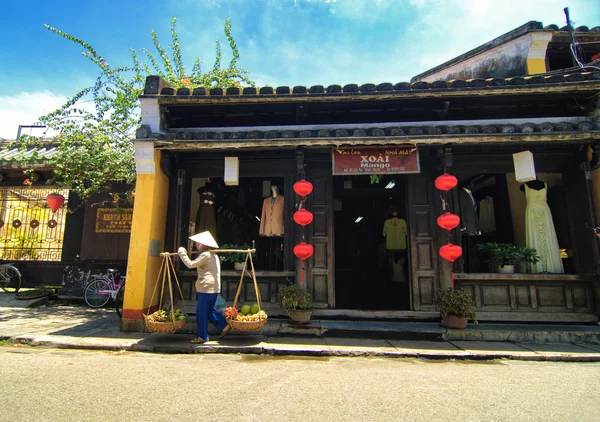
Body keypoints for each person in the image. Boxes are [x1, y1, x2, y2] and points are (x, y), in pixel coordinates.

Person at [178, 231, 228, 343]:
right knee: (209, 311)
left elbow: (190, 264)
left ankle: (202, 336)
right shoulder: (214, 255)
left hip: (206, 288)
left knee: (201, 312)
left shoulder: (205, 255)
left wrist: (182, 252)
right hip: (214, 288)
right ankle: (223, 326)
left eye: (197, 242)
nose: (196, 244)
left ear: (203, 244)